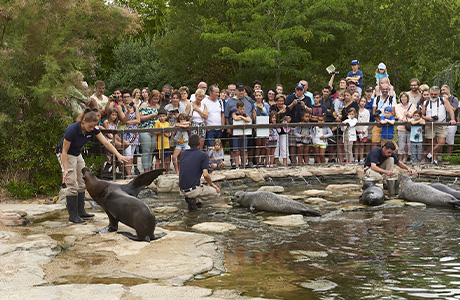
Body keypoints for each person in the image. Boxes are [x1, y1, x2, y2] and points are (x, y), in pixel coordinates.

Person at [56, 108, 129, 223]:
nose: (91, 129)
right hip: (66, 154)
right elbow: (64, 151)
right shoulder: (72, 130)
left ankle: (81, 212)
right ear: (83, 121)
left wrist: (118, 155)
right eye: (90, 126)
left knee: (82, 181)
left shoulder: (93, 129)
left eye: (93, 127)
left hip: (77, 154)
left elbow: (105, 142)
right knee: (72, 183)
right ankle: (73, 216)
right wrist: (65, 169)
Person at [179, 134, 220, 210]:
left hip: (181, 189)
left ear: (188, 144)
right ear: (199, 144)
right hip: (191, 190)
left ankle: (196, 201)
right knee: (216, 192)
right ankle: (193, 198)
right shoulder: (203, 155)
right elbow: (205, 175)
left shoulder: (183, 153)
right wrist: (212, 185)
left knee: (199, 183)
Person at [422, 86, 456, 164]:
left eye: (435, 94)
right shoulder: (426, 102)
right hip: (430, 125)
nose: (433, 96)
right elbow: (422, 115)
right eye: (432, 94)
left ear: (439, 94)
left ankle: (430, 154)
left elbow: (450, 110)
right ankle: (434, 160)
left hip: (441, 124)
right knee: (432, 143)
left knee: (441, 142)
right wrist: (428, 118)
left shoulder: (443, 100)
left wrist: (452, 119)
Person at [117, 89, 140, 176]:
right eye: (124, 97)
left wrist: (128, 122)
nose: (126, 99)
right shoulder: (120, 107)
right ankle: (128, 174)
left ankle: (129, 173)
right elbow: (123, 120)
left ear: (131, 97)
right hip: (125, 133)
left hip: (134, 133)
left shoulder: (135, 107)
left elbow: (138, 120)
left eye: (128, 97)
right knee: (127, 153)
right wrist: (127, 113)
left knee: (131, 154)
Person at [138, 89, 160, 172]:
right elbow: (140, 117)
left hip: (154, 131)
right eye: (154, 99)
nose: (156, 101)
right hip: (145, 129)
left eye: (157, 99)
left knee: (151, 150)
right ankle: (145, 169)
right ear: (151, 97)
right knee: (146, 150)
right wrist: (150, 116)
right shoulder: (144, 105)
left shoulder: (158, 106)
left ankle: (149, 167)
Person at [395, 92, 416, 162]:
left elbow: (415, 115)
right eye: (402, 97)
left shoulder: (412, 106)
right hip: (401, 127)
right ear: (400, 98)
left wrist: (409, 115)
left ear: (407, 98)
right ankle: (400, 159)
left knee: (410, 144)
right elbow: (398, 115)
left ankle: (411, 159)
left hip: (410, 127)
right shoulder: (397, 106)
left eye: (405, 97)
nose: (403, 98)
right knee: (401, 144)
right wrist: (403, 118)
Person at [231, 101, 252, 168]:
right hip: (236, 135)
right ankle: (237, 166)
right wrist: (241, 117)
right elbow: (235, 118)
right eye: (240, 109)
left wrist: (242, 117)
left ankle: (244, 165)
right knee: (236, 151)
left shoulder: (246, 114)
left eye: (243, 109)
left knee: (244, 151)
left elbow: (249, 120)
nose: (242, 110)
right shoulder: (234, 113)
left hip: (244, 135)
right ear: (237, 108)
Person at [441, 84, 459, 155]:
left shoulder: (454, 99)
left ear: (448, 90)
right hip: (441, 122)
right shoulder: (440, 99)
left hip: (451, 122)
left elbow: (453, 109)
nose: (442, 91)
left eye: (444, 90)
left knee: (450, 142)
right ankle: (439, 158)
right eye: (441, 90)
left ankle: (448, 158)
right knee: (440, 141)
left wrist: (447, 101)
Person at [355, 97, 370, 164]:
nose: (362, 103)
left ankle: (361, 158)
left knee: (361, 145)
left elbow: (367, 122)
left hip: (363, 131)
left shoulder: (367, 112)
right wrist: (357, 130)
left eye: (364, 101)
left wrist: (363, 131)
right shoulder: (356, 110)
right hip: (356, 130)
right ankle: (355, 159)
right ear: (359, 101)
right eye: (361, 101)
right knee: (356, 145)